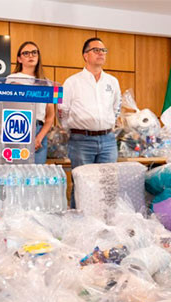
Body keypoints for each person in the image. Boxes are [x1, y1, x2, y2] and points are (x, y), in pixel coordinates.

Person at [59, 37, 121, 207]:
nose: (101, 53)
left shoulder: (112, 82)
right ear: (85, 55)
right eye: (96, 50)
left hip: (108, 140)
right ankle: (79, 225)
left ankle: (106, 226)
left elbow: (116, 108)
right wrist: (70, 128)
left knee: (107, 187)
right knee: (82, 186)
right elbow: (63, 110)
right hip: (81, 141)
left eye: (103, 50)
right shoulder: (72, 82)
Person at [6, 41, 55, 164]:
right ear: (19, 59)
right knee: (17, 174)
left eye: (34, 52)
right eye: (26, 53)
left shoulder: (47, 83)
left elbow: (50, 116)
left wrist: (39, 137)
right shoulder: (13, 79)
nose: (31, 56)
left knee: (35, 175)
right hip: (17, 128)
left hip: (39, 131)